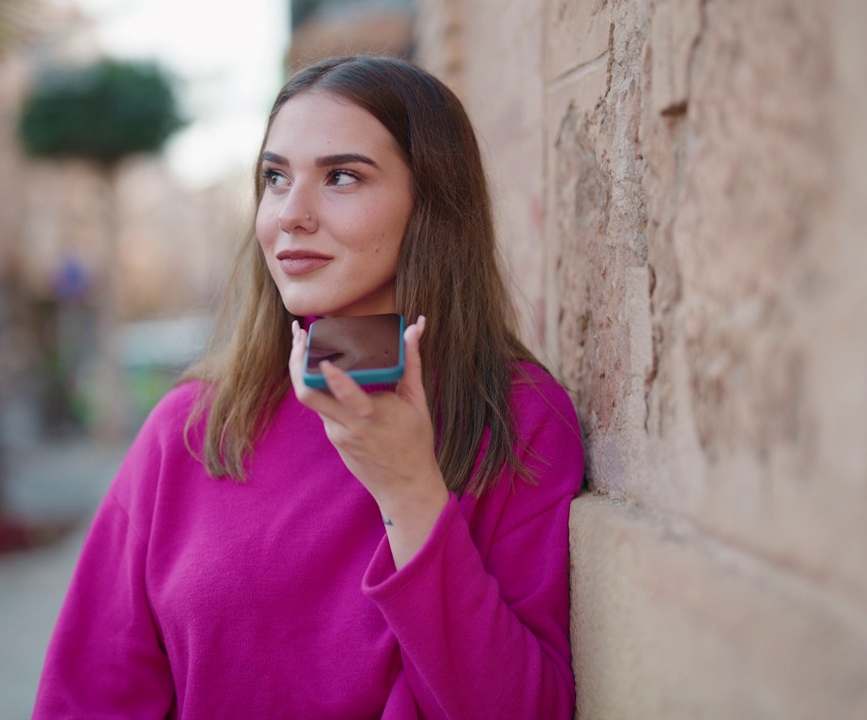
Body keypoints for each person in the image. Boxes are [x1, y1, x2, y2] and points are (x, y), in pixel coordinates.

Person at [32, 55, 585, 719]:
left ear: (430, 202)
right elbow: (89, 697)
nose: (290, 215)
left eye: (342, 176)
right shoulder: (192, 428)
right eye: (274, 178)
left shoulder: (520, 417)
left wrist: (411, 493)